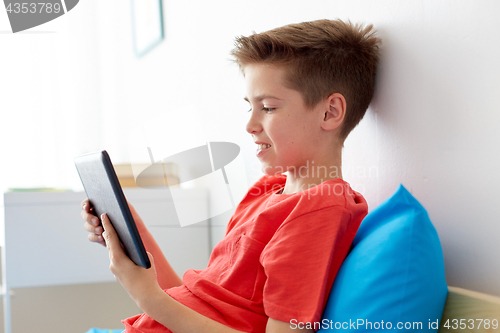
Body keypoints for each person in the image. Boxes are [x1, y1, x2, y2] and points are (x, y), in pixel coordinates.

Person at [81, 19, 380, 333]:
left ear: (330, 112)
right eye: (250, 107)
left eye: (268, 107)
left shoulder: (318, 212)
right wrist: (132, 233)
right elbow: (198, 301)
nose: (250, 125)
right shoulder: (265, 192)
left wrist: (148, 298)